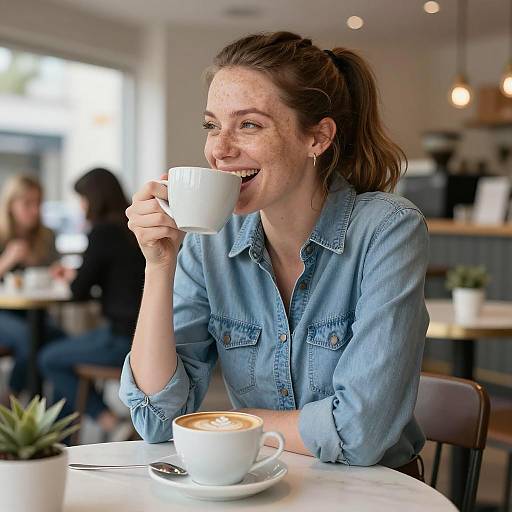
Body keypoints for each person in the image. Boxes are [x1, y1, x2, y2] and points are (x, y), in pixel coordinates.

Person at [119, 32, 429, 476]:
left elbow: (360, 432)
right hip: (261, 482)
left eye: (249, 124)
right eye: (212, 125)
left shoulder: (387, 229)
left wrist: (222, 426)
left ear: (317, 138)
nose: (219, 149)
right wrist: (159, 263)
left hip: (375, 493)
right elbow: (156, 417)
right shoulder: (211, 239)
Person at [39, 168, 145, 437]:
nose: (81, 206)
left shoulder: (103, 232)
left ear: (94, 199)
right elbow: (113, 277)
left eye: (83, 199)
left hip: (121, 338)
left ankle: (108, 421)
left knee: (49, 357)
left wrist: (70, 277)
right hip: (143, 334)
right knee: (64, 349)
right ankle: (62, 437)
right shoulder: (131, 229)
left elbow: (78, 292)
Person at [0, 175, 62, 400]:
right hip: (3, 313)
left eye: (38, 203)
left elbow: (55, 273)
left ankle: (54, 418)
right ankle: (11, 400)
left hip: (35, 313)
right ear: (11, 205)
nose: (34, 210)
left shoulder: (46, 236)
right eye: (27, 203)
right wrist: (7, 260)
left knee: (62, 345)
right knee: (30, 340)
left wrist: (56, 272)